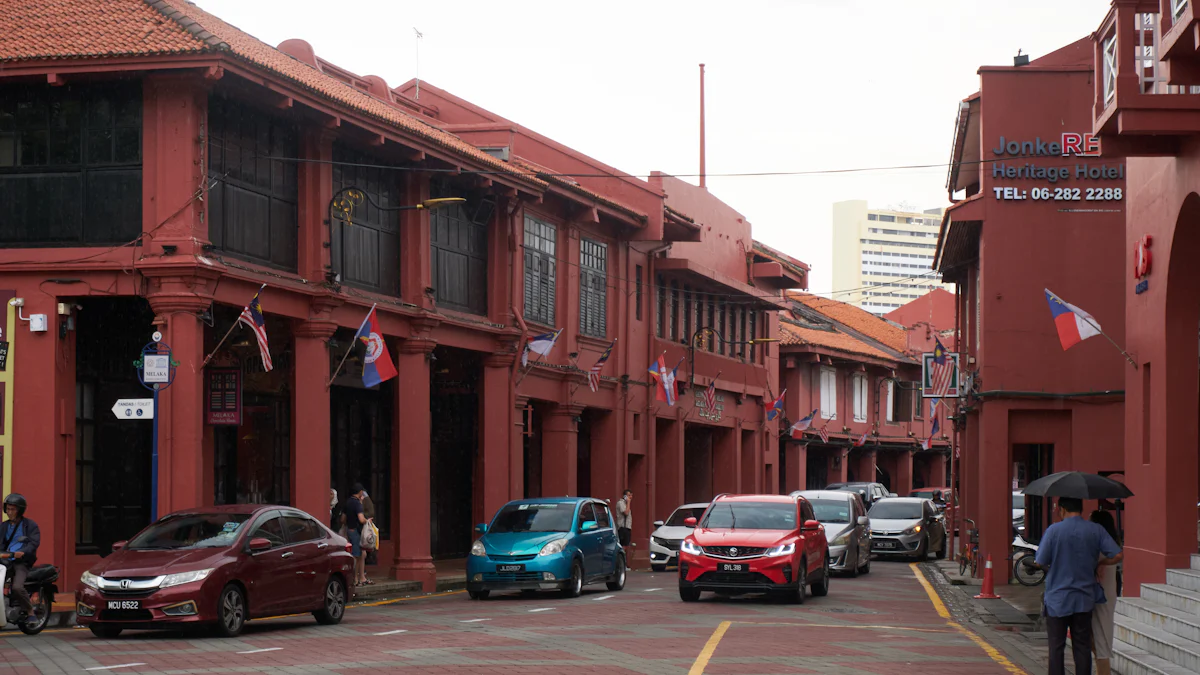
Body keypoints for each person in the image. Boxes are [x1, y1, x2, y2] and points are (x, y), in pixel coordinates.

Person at [1035, 497, 1123, 675]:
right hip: (1084, 598)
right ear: (1081, 509)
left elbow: (1040, 560)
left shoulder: (1054, 530)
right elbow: (1118, 554)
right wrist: (1101, 562)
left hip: (1057, 599)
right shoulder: (1095, 529)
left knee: (1056, 647)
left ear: (1062, 509)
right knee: (1082, 646)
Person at [1090, 510, 1121, 675]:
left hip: (1101, 597)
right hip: (1104, 595)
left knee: (1101, 641)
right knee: (1097, 640)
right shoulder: (1109, 543)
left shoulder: (1103, 545)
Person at [0, 494, 39, 623]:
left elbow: (33, 543)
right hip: (5, 561)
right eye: (8, 509)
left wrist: (22, 552)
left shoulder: (30, 525)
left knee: (17, 587)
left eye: (13, 509)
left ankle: (30, 612)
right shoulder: (3, 526)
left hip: (21, 562)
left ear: (20, 510)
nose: (10, 512)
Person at [344, 484, 367, 587]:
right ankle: (355, 578)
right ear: (360, 492)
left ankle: (355, 578)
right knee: (356, 555)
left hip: (349, 529)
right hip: (356, 531)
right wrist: (368, 521)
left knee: (354, 554)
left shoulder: (348, 502)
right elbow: (361, 519)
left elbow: (342, 519)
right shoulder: (357, 504)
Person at [360, 490, 377, 584]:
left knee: (363, 553)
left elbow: (370, 512)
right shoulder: (356, 502)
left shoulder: (365, 499)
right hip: (358, 530)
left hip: (363, 530)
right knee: (361, 554)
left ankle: (361, 575)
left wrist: (364, 519)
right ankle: (360, 576)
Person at [615, 490, 633, 567]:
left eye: (631, 495)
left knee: (627, 545)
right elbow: (626, 512)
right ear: (625, 496)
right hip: (622, 527)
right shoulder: (621, 503)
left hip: (627, 527)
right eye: (629, 495)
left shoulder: (625, 503)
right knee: (623, 546)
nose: (630, 497)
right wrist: (628, 502)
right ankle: (621, 563)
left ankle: (625, 563)